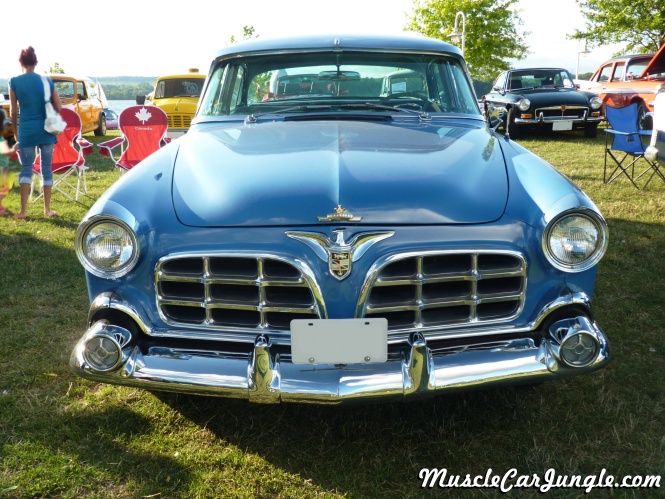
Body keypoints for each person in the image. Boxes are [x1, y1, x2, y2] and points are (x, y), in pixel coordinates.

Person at [9, 46, 63, 219]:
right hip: (46, 130)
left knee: (26, 169)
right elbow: (59, 106)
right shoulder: (46, 80)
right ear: (36, 62)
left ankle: (23, 212)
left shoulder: (14, 82)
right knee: (46, 168)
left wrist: (16, 134)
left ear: (20, 62)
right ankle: (47, 209)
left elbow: (13, 112)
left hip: (26, 130)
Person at [0, 109, 18, 216]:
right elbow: (7, 152)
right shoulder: (1, 140)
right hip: (1, 169)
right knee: (4, 189)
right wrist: (15, 148)